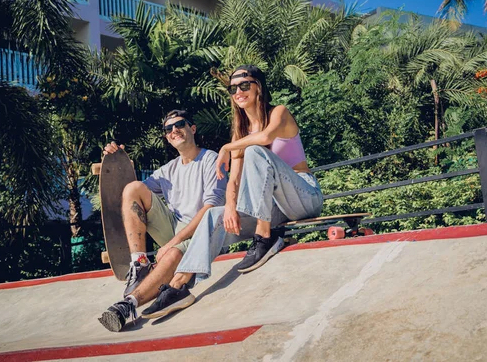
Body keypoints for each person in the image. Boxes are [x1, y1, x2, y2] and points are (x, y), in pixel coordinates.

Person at [140, 65, 324, 319]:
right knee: (212, 215)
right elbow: (234, 180)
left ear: (258, 86)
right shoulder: (241, 132)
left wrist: (227, 146)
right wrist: (228, 206)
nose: (238, 91)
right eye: (232, 88)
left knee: (255, 152)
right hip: (272, 209)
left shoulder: (278, 113)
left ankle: (264, 238)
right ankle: (179, 285)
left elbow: (265, 137)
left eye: (244, 85)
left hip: (304, 196)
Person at [98, 109, 227, 332]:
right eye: (169, 129)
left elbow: (210, 208)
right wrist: (116, 161)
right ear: (166, 137)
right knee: (134, 188)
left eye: (180, 125)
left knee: (175, 252)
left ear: (192, 128)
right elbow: (129, 198)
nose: (174, 131)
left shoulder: (210, 159)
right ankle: (139, 264)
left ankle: (127, 305)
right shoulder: (168, 170)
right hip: (174, 229)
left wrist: (170, 244)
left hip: (202, 232)